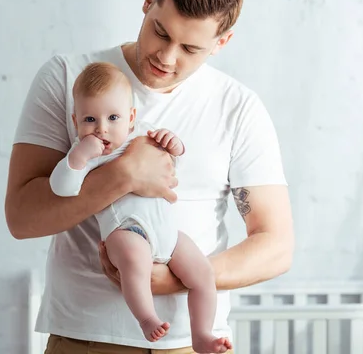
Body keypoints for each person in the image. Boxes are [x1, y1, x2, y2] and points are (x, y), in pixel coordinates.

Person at [5, 0, 295, 352]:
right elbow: (22, 217)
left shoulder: (238, 107)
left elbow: (276, 245)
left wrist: (176, 277)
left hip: (191, 345)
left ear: (221, 43)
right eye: (161, 32)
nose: (167, 56)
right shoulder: (69, 78)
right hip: (86, 339)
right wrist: (122, 176)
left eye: (190, 48)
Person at [48, 61, 232, 352]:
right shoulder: (84, 154)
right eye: (89, 120)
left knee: (203, 274)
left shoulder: (144, 135)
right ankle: (146, 318)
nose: (102, 130)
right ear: (75, 121)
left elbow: (172, 166)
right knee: (135, 262)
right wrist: (78, 157)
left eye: (112, 117)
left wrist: (174, 145)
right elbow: (62, 187)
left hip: (168, 234)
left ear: (131, 118)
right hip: (126, 230)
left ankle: (202, 333)